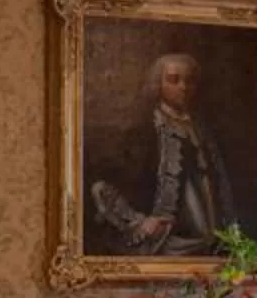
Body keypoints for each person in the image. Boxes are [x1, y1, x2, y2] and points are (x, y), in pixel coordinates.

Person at [88, 49, 241, 255]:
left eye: (189, 81)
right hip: (170, 234)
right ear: (158, 85)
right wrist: (141, 221)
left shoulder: (203, 128)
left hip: (210, 218)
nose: (183, 87)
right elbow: (114, 181)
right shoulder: (146, 130)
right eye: (173, 80)